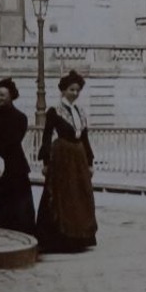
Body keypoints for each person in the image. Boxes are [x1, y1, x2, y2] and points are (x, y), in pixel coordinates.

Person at [37, 70, 97, 253]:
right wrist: (46, 161)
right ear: (63, 90)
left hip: (78, 157)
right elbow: (47, 136)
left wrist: (90, 161)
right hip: (62, 156)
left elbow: (85, 138)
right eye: (72, 89)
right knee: (62, 196)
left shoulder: (80, 111)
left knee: (80, 195)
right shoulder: (55, 111)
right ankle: (60, 239)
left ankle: (80, 237)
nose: (75, 93)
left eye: (77, 90)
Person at [0, 78, 38, 235]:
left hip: (14, 163)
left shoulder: (20, 117)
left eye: (3, 95)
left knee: (18, 200)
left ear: (11, 96)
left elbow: (14, 139)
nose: (0, 98)